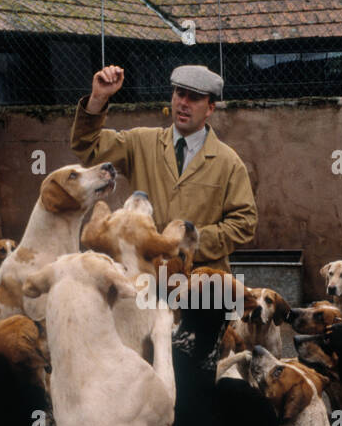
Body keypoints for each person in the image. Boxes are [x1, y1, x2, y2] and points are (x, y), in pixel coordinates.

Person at [70, 64, 256, 271]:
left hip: (201, 282)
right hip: (144, 275)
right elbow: (88, 147)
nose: (183, 103)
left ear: (210, 108)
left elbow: (244, 223)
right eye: (180, 94)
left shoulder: (228, 162)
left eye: (194, 98)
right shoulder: (140, 142)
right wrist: (98, 98)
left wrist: (191, 241)